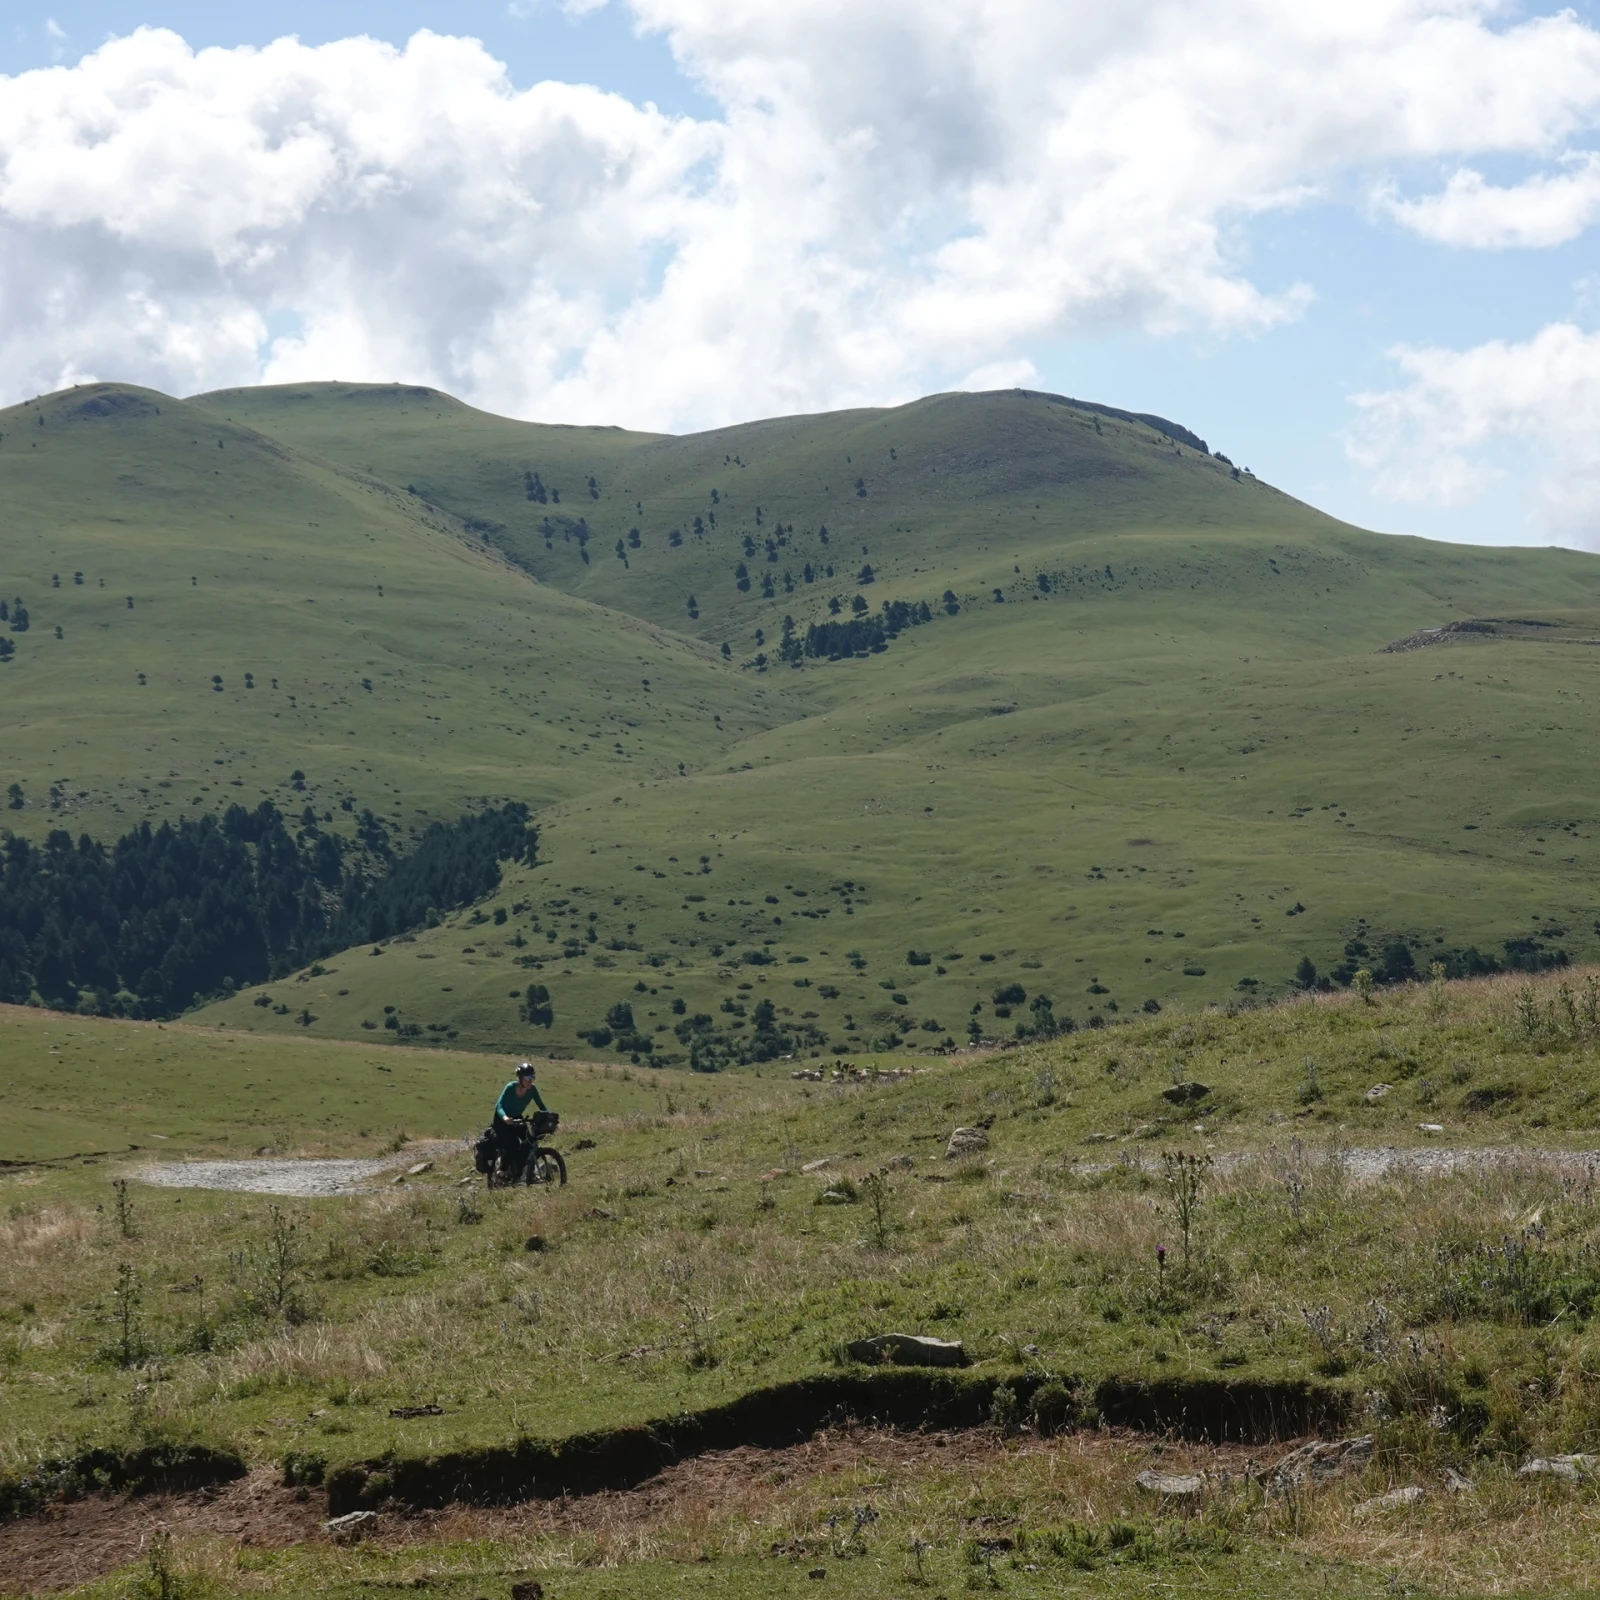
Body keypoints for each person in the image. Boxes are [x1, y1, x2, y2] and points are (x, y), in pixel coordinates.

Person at [492, 1062, 549, 1164]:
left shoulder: (533, 1089)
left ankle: (527, 1171)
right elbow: (499, 1105)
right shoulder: (510, 1088)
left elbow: (541, 1105)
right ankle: (502, 1171)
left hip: (517, 1118)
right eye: (527, 1079)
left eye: (532, 1077)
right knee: (512, 1144)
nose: (529, 1081)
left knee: (529, 1142)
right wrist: (505, 1118)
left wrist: (549, 1115)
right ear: (520, 1078)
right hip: (502, 1120)